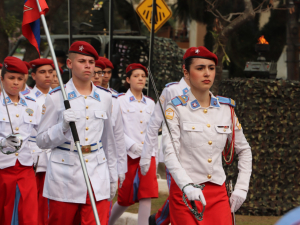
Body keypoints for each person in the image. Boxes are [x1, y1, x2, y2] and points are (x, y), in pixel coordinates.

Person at [161, 46, 252, 225]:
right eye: (200, 68)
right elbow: (170, 153)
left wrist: (241, 187)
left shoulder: (226, 109)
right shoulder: (175, 108)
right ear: (186, 73)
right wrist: (186, 185)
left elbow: (244, 150)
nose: (207, 73)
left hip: (218, 192)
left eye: (211, 68)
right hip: (185, 192)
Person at [36, 41, 118, 225]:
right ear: (70, 64)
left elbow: (109, 141)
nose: (88, 65)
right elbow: (41, 140)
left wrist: (113, 176)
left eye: (91, 61)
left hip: (97, 174)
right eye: (82, 61)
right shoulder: (57, 97)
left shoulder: (105, 97)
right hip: (65, 175)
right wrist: (62, 126)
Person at [140, 63, 190, 225]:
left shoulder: (205, 92)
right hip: (174, 155)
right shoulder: (171, 90)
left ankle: (158, 220)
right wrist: (146, 156)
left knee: (189, 197)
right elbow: (154, 124)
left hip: (197, 157)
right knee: (179, 198)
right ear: (186, 70)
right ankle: (159, 220)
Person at [109, 63, 158, 225]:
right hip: (127, 155)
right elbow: (115, 129)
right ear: (128, 79)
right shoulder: (119, 101)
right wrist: (131, 145)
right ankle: (107, 222)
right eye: (136, 76)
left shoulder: (150, 103)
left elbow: (153, 130)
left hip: (147, 154)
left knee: (146, 194)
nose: (140, 79)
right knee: (124, 199)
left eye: (143, 76)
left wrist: (152, 153)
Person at [0, 56, 40, 225]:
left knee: (28, 214)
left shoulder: (32, 105)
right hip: (3, 167)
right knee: (4, 214)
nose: (15, 83)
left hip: (25, 167)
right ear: (2, 79)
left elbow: (37, 135)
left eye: (20, 79)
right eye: (11, 78)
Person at [92, 58, 127, 223]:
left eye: (101, 72)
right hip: (79, 165)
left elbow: (118, 137)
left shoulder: (113, 99)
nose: (98, 76)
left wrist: (120, 169)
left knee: (102, 214)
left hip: (106, 164)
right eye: (95, 72)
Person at [25, 58, 54, 225]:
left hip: (57, 158)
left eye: (50, 72)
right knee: (35, 205)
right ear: (33, 75)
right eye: (42, 72)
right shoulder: (26, 98)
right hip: (34, 160)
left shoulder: (60, 96)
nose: (47, 75)